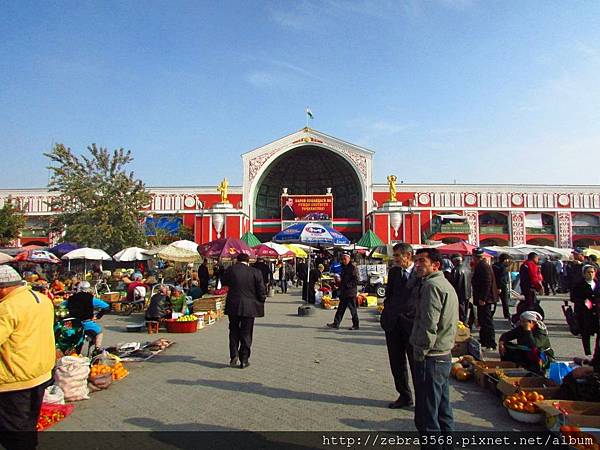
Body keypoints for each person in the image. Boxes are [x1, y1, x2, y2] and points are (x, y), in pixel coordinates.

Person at [0, 266, 55, 450]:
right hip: (40, 374)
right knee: (28, 425)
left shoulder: (7, 307)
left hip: (15, 380)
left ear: (3, 288)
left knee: (13, 432)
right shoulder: (42, 299)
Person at [410, 248, 458, 439]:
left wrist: (421, 351)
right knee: (443, 408)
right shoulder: (443, 283)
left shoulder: (432, 286)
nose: (418, 265)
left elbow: (429, 324)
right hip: (443, 354)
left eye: (422, 261)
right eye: (417, 261)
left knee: (427, 413)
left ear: (436, 265)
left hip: (432, 356)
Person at [380, 243, 419, 409]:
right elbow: (389, 295)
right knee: (396, 362)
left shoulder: (419, 273)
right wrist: (387, 313)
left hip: (412, 325)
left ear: (408, 256)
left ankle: (422, 398)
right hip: (393, 324)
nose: (395, 259)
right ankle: (404, 395)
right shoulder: (394, 272)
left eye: (397, 256)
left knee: (416, 363)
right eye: (394, 256)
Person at [222, 253, 267, 369]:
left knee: (233, 330)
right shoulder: (255, 272)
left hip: (233, 305)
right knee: (246, 333)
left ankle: (234, 355)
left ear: (237, 260)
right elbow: (261, 290)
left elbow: (224, 283)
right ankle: (244, 359)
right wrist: (261, 300)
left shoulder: (230, 270)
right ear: (248, 261)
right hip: (249, 307)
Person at [65, 281, 110, 348]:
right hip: (86, 323)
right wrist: (98, 316)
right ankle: (97, 349)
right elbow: (106, 306)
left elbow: (61, 306)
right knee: (99, 333)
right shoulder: (90, 298)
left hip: (72, 324)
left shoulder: (71, 298)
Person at [472, 248, 498, 350]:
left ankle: (491, 342)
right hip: (483, 298)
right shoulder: (481, 265)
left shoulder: (483, 266)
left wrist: (483, 298)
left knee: (487, 321)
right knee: (482, 320)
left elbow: (487, 283)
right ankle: (483, 340)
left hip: (486, 299)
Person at [571, 265, 600, 356]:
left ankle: (597, 352)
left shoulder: (598, 284)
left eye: (592, 272)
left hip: (597, 312)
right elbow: (573, 298)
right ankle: (587, 353)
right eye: (588, 272)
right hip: (585, 313)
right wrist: (583, 301)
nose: (590, 274)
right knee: (586, 333)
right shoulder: (579, 285)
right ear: (584, 274)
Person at [327, 253, 359, 330]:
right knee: (341, 308)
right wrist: (339, 285)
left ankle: (356, 325)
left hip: (350, 292)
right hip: (344, 292)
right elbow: (343, 279)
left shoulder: (353, 268)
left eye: (345, 259)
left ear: (349, 259)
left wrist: (348, 285)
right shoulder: (343, 267)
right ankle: (336, 323)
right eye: (343, 259)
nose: (344, 260)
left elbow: (356, 280)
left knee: (353, 309)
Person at [450, 254, 473, 328]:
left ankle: (462, 326)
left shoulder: (456, 270)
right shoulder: (467, 268)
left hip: (459, 293)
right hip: (467, 293)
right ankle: (465, 323)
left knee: (460, 312)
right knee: (465, 310)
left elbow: (453, 283)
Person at [492, 253, 513, 320]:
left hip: (493, 285)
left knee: (494, 301)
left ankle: (491, 313)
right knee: (505, 301)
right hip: (502, 286)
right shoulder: (503, 267)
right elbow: (501, 278)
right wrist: (499, 287)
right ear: (505, 260)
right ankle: (507, 315)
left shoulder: (494, 265)